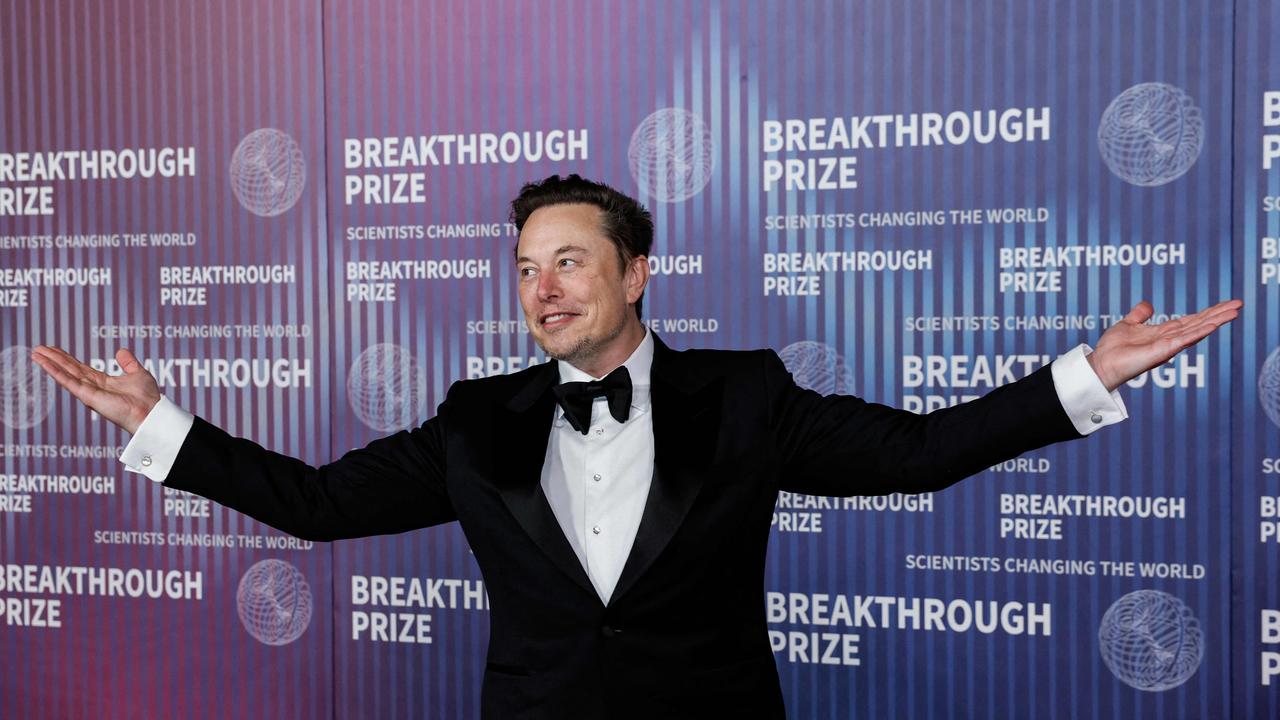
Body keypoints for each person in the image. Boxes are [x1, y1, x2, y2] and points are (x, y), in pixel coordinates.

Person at [31, 174, 1242, 719]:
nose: (541, 287)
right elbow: (314, 504)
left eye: (568, 259)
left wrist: (1083, 374)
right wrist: (162, 427)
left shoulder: (744, 395)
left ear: (635, 272)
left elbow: (917, 456)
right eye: (521, 268)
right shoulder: (476, 417)